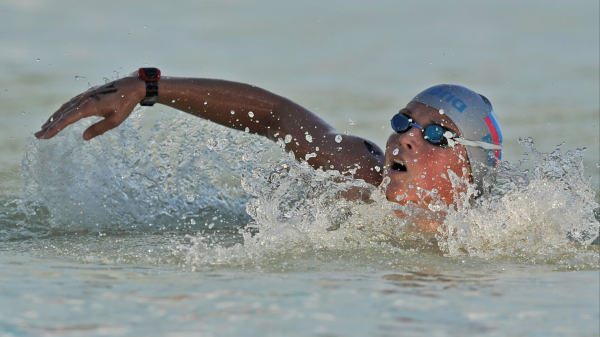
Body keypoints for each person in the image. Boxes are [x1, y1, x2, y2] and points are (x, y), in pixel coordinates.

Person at [35, 68, 503, 234]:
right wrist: (149, 86)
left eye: (437, 133)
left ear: (471, 168)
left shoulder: (508, 231)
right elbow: (276, 116)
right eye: (404, 122)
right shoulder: (362, 175)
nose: (405, 137)